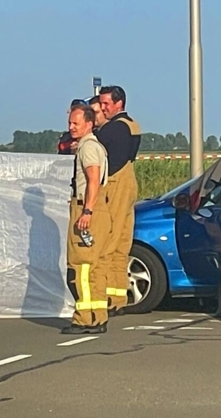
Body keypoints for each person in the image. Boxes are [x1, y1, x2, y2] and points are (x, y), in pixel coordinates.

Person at [63, 103, 111, 335]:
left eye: (76, 123)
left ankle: (84, 318)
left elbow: (93, 179)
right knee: (97, 266)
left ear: (89, 124)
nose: (71, 127)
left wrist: (87, 211)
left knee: (81, 266)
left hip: (87, 206)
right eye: (70, 123)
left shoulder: (88, 148)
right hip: (99, 208)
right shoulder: (94, 146)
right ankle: (99, 316)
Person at [95, 85, 141, 315]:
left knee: (108, 242)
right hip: (128, 182)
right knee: (122, 243)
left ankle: (105, 297)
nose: (103, 108)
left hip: (114, 184)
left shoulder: (113, 129)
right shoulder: (132, 125)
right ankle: (118, 296)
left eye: (106, 104)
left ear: (118, 103)